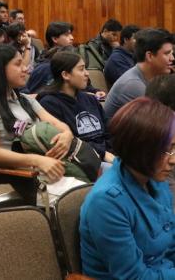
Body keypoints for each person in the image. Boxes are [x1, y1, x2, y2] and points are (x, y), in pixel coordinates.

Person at [79, 97, 175, 279]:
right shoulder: (106, 202)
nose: (173, 159)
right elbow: (134, 276)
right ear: (138, 149)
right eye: (165, 151)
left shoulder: (154, 179)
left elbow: (171, 242)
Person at [0, 44, 73, 181]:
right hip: (15, 178)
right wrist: (37, 160)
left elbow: (56, 123)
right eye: (18, 64)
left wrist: (67, 134)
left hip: (45, 170)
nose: (25, 69)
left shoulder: (26, 100)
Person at [37, 51, 113, 162]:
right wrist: (103, 153)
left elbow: (109, 132)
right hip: (82, 162)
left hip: (107, 156)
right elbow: (71, 143)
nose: (87, 74)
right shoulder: (49, 104)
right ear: (65, 75)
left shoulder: (90, 99)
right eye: (81, 69)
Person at [104, 28, 174, 122]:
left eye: (172, 53)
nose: (172, 58)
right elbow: (161, 123)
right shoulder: (132, 85)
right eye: (167, 53)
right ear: (149, 56)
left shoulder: (154, 77)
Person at [24, 21, 75, 93]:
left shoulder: (74, 59)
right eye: (67, 35)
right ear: (55, 39)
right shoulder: (44, 68)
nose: (72, 38)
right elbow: (33, 95)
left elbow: (86, 86)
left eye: (71, 34)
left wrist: (95, 91)